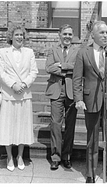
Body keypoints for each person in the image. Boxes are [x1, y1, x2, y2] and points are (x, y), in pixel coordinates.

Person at [73, 20, 107, 183]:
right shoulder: (83, 53)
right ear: (93, 35)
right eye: (102, 33)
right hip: (91, 100)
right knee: (92, 139)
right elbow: (77, 79)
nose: (106, 35)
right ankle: (90, 173)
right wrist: (78, 99)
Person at [0, 24, 38, 172]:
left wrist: (24, 84)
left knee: (22, 126)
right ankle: (9, 156)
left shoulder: (29, 52)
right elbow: (0, 72)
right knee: (7, 126)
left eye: (21, 35)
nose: (20, 37)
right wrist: (13, 85)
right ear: (11, 37)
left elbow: (34, 71)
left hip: (24, 95)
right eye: (17, 34)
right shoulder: (2, 52)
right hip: (8, 94)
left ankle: (19, 156)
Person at [45, 24, 79, 170]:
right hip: (56, 91)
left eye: (70, 34)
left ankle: (67, 156)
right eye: (65, 34)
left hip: (72, 91)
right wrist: (68, 68)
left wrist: (61, 66)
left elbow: (77, 67)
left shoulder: (78, 51)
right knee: (56, 125)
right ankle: (55, 157)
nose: (67, 37)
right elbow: (48, 67)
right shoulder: (53, 50)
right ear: (59, 35)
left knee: (70, 126)